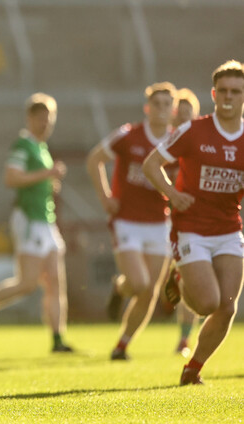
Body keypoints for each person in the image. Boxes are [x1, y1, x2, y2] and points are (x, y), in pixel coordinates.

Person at [143, 60, 244, 385]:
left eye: (236, 91)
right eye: (223, 91)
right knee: (206, 303)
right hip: (191, 229)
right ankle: (179, 277)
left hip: (228, 229)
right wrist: (172, 194)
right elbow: (151, 164)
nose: (229, 96)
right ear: (214, 94)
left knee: (227, 307)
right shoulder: (194, 130)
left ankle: (193, 369)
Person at [0, 93, 73, 353]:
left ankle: (58, 340)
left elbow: (34, 179)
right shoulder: (23, 144)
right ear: (29, 118)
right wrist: (48, 174)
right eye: (41, 118)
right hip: (30, 220)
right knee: (27, 284)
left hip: (47, 220)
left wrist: (48, 182)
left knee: (55, 282)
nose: (45, 123)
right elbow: (11, 178)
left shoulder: (41, 147)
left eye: (49, 119)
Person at [86, 82, 176, 360]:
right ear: (147, 108)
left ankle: (122, 346)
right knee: (138, 283)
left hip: (159, 222)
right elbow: (94, 160)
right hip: (127, 221)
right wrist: (105, 197)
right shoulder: (128, 135)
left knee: (151, 291)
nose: (161, 109)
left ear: (172, 110)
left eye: (167, 104)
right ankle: (119, 287)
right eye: (156, 104)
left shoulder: (177, 141)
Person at [166, 88, 201, 357]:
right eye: (181, 112)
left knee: (193, 279)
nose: (184, 116)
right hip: (162, 219)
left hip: (193, 220)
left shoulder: (202, 142)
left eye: (189, 112)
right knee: (146, 281)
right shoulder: (165, 142)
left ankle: (184, 339)